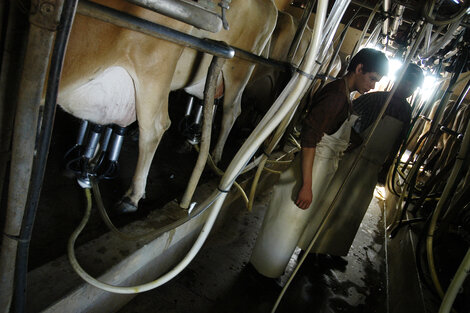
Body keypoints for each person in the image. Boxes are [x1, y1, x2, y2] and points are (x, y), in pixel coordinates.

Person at [249, 48, 389, 278]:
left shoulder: (346, 96)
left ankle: (269, 270)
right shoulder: (336, 95)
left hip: (319, 169)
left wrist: (353, 141)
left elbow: (332, 130)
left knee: (290, 226)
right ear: (359, 68)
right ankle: (260, 273)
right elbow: (309, 138)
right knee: (284, 225)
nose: (373, 86)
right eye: (372, 79)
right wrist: (306, 184)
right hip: (310, 170)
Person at [300, 63, 424, 257]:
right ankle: (311, 248)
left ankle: (333, 250)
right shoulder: (373, 99)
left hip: (373, 166)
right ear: (397, 79)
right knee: (332, 202)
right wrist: (351, 141)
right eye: (406, 82)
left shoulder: (407, 113)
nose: (407, 88)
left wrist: (387, 166)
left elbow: (398, 142)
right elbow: (346, 122)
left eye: (412, 86)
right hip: (352, 159)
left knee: (353, 210)